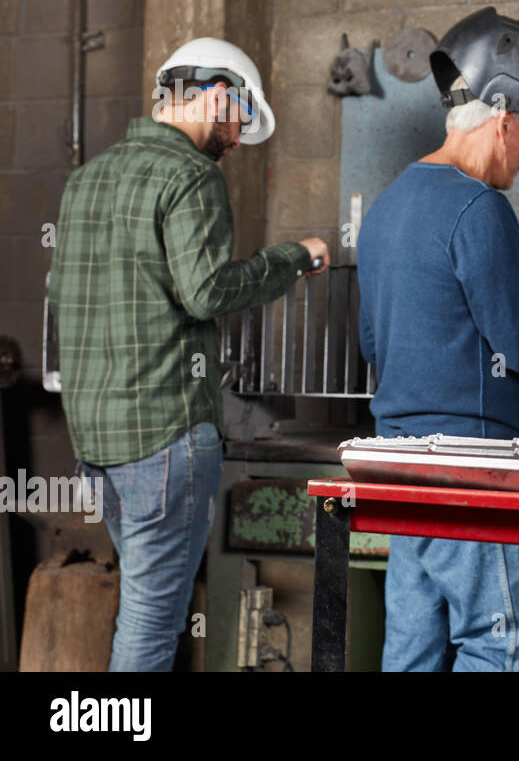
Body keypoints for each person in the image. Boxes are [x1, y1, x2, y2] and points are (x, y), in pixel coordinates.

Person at [49, 37, 329, 671]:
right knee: (152, 619)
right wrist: (293, 257)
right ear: (217, 92)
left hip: (98, 441)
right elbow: (205, 292)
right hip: (164, 437)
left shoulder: (85, 179)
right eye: (238, 120)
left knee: (144, 604)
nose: (235, 140)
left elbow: (66, 298)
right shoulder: (189, 175)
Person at [358, 7, 519, 672]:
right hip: (468, 463)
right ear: (501, 115)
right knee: (505, 643)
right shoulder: (478, 207)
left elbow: (376, 343)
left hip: (397, 461)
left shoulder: (389, 204)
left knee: (414, 647)